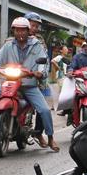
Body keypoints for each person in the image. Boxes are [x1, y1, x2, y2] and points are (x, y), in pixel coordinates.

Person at [0, 17, 58, 152]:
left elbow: (43, 63)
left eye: (23, 30)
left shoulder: (36, 45)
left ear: (28, 31)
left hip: (28, 84)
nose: (20, 33)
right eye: (17, 30)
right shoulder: (8, 45)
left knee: (44, 110)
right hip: (9, 82)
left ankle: (50, 137)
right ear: (13, 31)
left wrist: (39, 72)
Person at [23, 12, 52, 142]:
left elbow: (45, 59)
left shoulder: (39, 41)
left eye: (36, 26)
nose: (34, 28)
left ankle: (39, 132)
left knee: (42, 107)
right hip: (15, 77)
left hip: (34, 78)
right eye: (32, 25)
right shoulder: (12, 38)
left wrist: (42, 73)